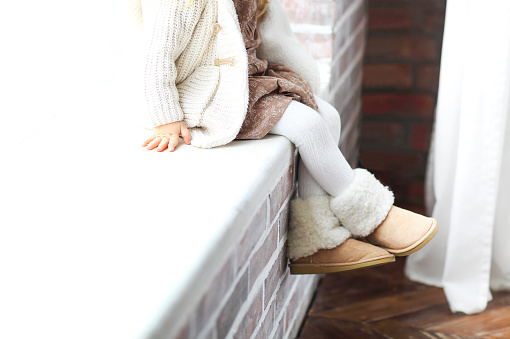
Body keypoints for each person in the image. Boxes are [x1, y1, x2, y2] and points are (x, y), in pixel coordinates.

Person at [133, 0, 438, 274]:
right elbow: (154, 55)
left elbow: (275, 40)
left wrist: (303, 77)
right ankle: (372, 214)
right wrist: (165, 117)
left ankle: (317, 241)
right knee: (306, 124)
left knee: (327, 116)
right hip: (207, 94)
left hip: (247, 80)